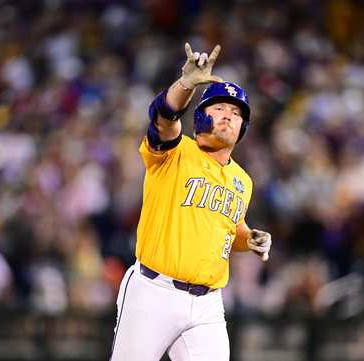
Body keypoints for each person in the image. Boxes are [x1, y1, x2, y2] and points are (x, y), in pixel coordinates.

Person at [109, 42, 272, 361]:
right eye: (220, 107)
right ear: (200, 116)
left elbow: (226, 230)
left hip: (208, 304)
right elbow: (163, 116)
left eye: (237, 113)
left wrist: (248, 239)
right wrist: (185, 85)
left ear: (242, 128)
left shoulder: (243, 180)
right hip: (153, 292)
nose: (229, 115)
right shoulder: (174, 151)